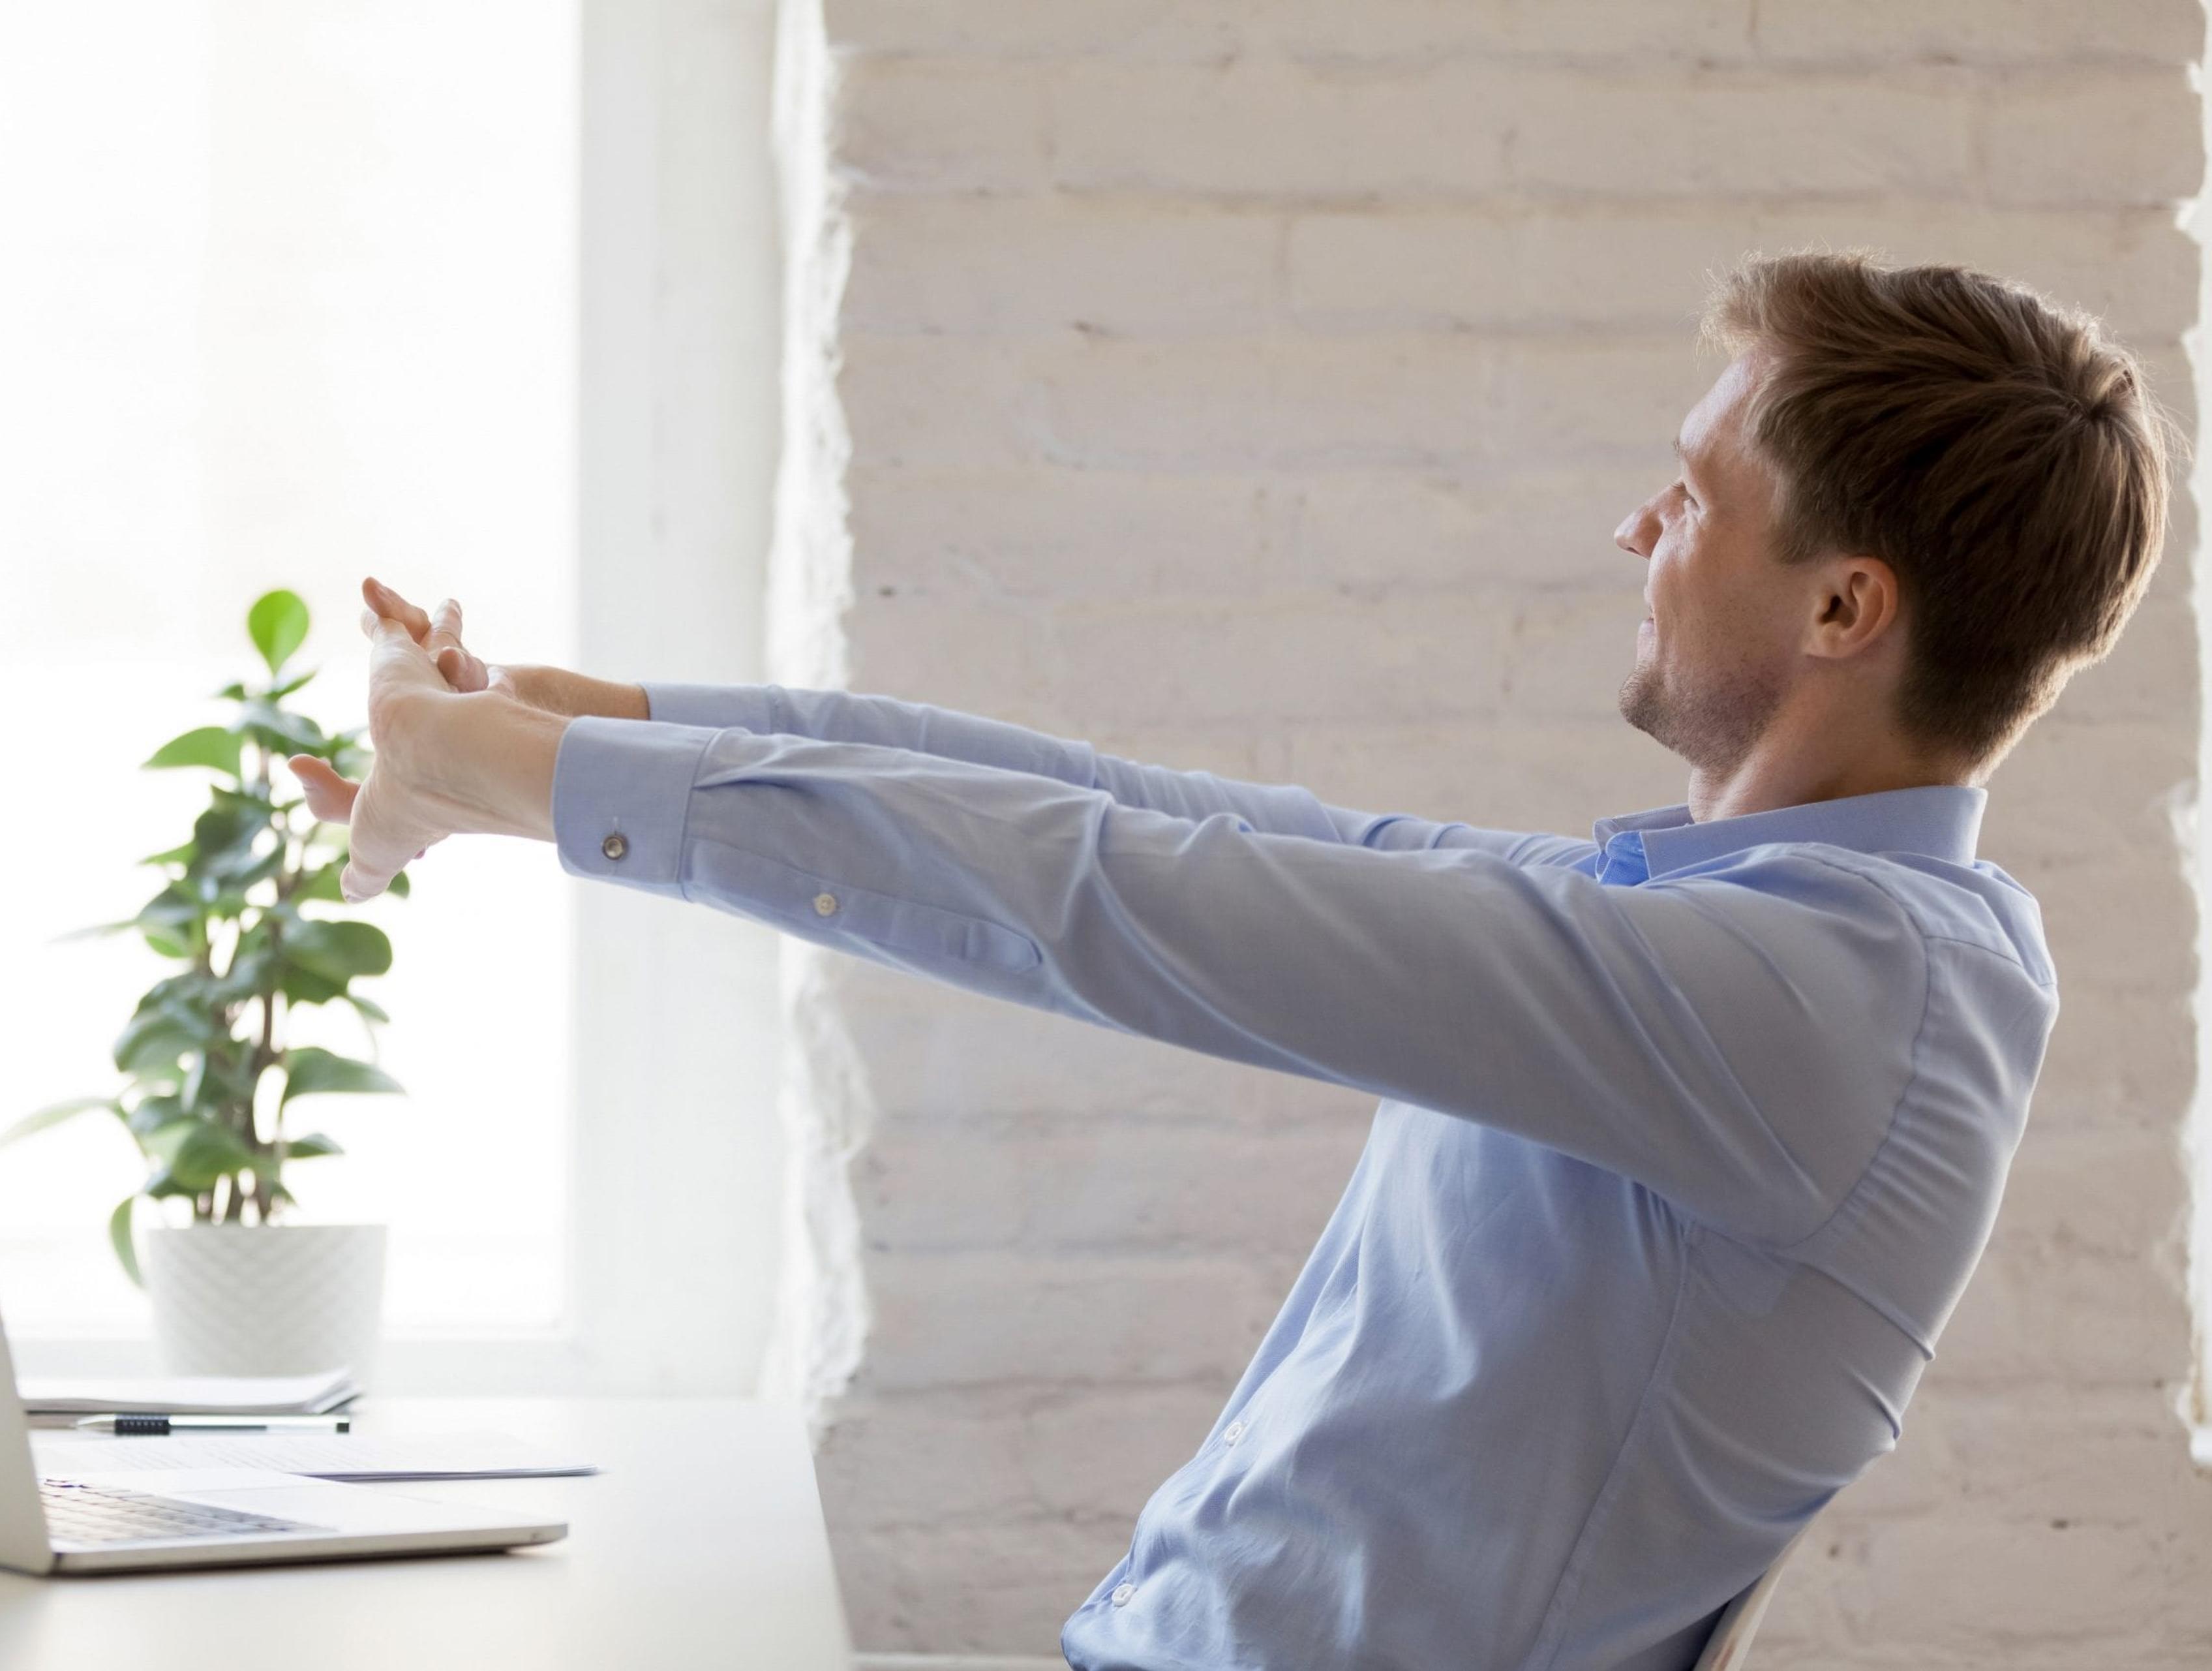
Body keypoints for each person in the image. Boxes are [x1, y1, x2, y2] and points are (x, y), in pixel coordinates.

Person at [288, 252, 2169, 1671]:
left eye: (1693, 497)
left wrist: (519, 780)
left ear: (1848, 604)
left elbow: (1130, 902)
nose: (1636, 528)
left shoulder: (1826, 999)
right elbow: (1154, 819)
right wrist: (585, 721)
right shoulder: (1750, 929)